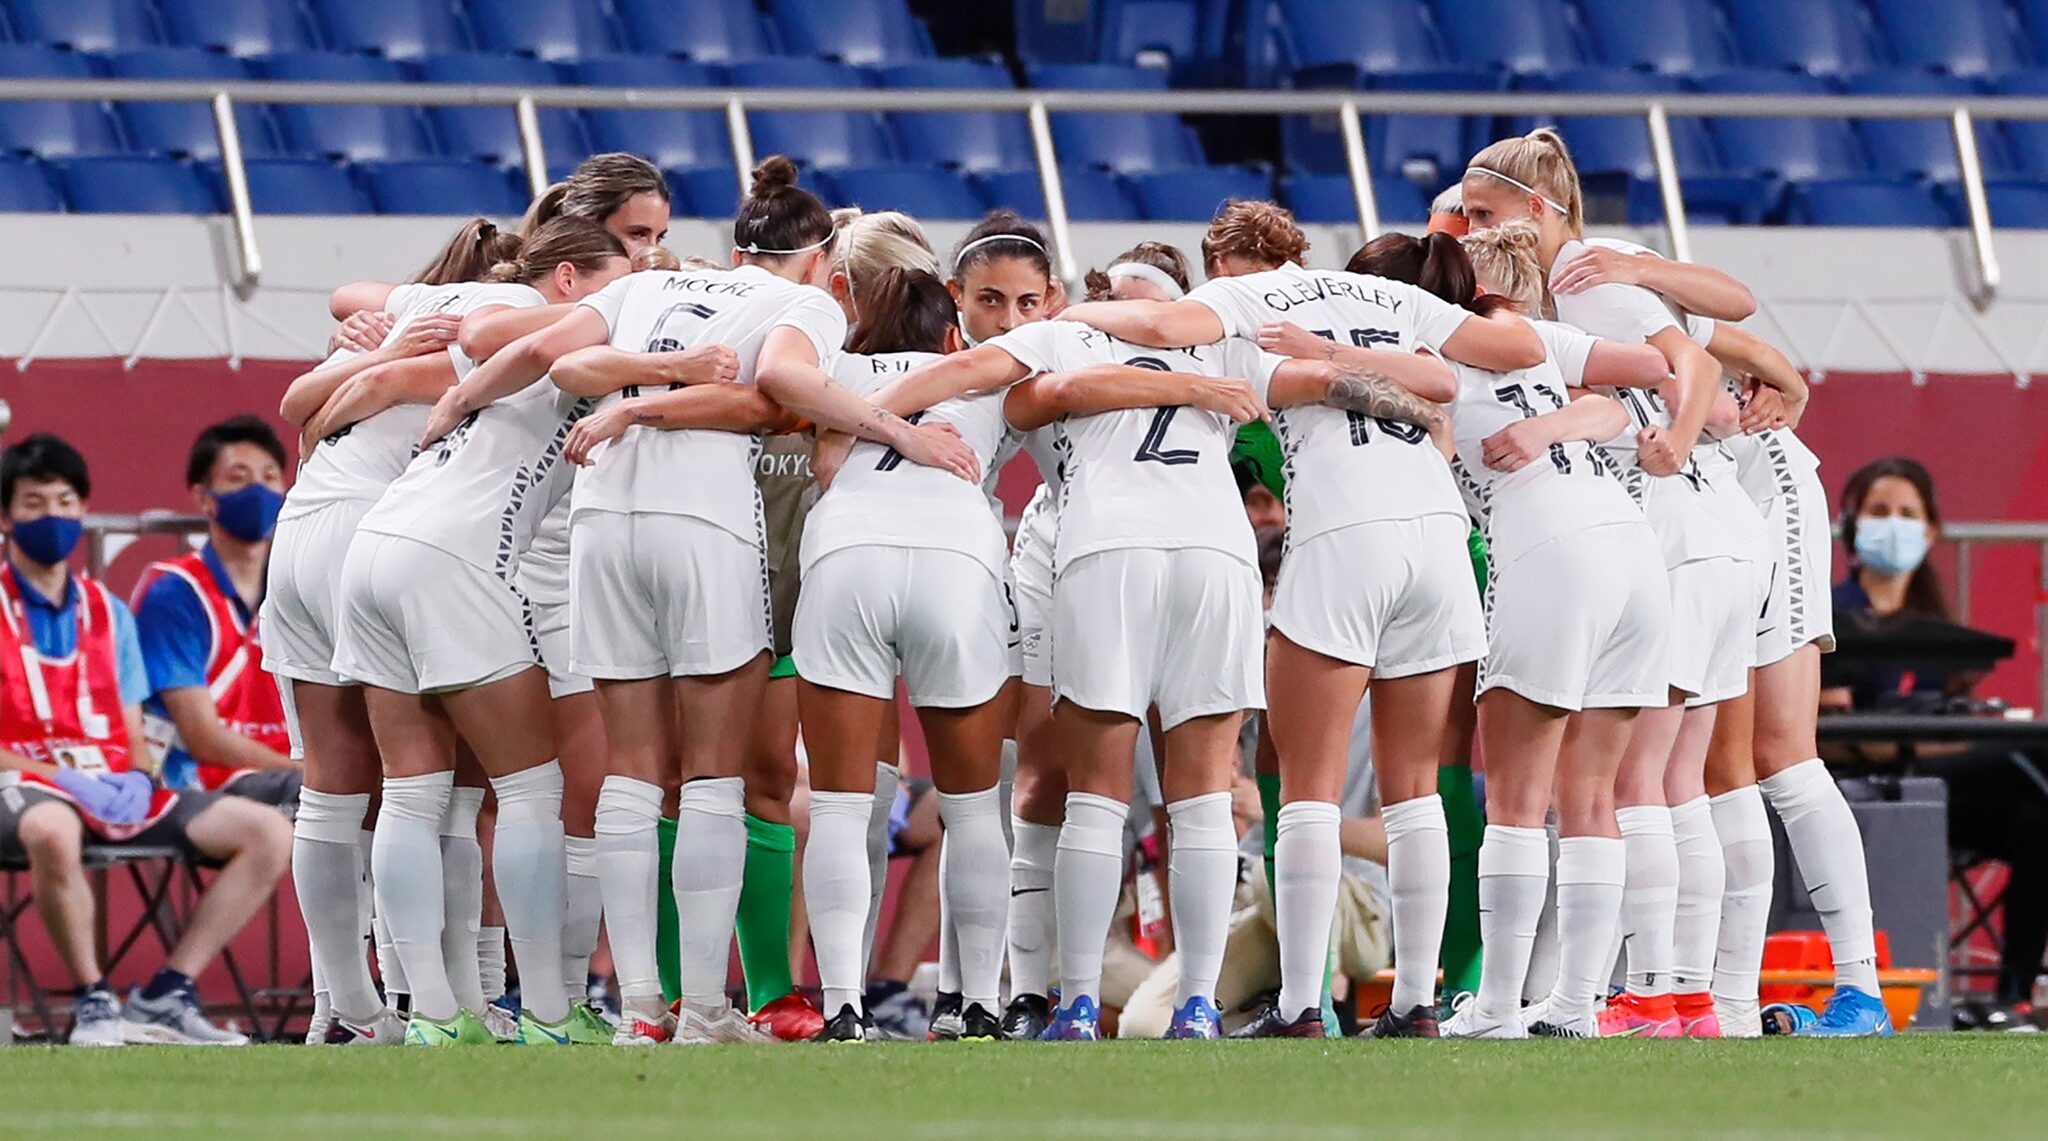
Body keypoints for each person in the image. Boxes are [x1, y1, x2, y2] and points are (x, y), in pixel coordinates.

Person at [453, 156, 974, 1046]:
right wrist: (893, 431)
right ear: (823, 262)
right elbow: (776, 392)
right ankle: (701, 1006)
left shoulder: (647, 288)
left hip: (606, 526)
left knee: (633, 774)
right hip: (708, 535)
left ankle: (641, 1010)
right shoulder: (801, 309)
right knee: (712, 781)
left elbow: (552, 355)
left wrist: (585, 398)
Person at [1056, 199, 1542, 1040]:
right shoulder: (1384, 299)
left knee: (1306, 790)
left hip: (1344, 534)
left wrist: (1075, 313)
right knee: (1417, 788)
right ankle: (1418, 1004)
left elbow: (1164, 321)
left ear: (1224, 261)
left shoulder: (1247, 305)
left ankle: (1298, 1008)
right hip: (1437, 534)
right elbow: (1489, 362)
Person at [1461, 127, 1885, 1038]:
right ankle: (1709, 998)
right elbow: (1729, 338)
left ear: (1538, 210)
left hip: (1732, 499)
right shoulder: (1579, 288)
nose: (1468, 236)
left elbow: (1695, 346)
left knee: (1736, 761)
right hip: (1707, 511)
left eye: (1483, 216)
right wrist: (1781, 381)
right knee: (1704, 770)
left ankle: (1795, 988)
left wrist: (1688, 432)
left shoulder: (1596, 276)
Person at [326, 218, 638, 1047]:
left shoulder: (490, 332)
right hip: (456, 558)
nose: (635, 285)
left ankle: (431, 1013)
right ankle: (547, 1011)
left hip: (377, 548)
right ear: (567, 279)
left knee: (413, 790)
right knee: (533, 788)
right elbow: (549, 355)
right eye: (623, 271)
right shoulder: (568, 333)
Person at [268, 217, 518, 1045]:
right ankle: (449, 1002)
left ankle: (341, 1009)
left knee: (333, 789)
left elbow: (300, 406)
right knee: (440, 791)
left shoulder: (404, 311)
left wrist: (369, 350)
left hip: (303, 530)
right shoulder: (502, 326)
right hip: (383, 532)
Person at [0, 434, 292, 1046]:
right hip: (23, 787)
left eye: (64, 501)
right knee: (53, 829)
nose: (52, 516)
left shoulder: (107, 611)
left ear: (83, 511)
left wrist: (136, 777)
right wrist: (61, 781)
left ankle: (165, 993)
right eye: (32, 504)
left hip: (112, 787)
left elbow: (135, 735)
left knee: (268, 832)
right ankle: (93, 1002)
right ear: (5, 519)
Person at [798, 268, 1018, 1041]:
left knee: (837, 804)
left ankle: (840, 1005)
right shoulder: (990, 376)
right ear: (953, 334)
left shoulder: (834, 375)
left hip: (846, 559)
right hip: (955, 562)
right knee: (971, 807)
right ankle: (977, 1002)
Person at [1825, 457, 2048, 1030]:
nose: (1892, 525)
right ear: (1853, 524)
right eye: (1880, 512)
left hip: (1943, 790)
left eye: (1907, 514)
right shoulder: (1829, 617)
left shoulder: (1941, 630)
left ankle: (2014, 997)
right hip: (1860, 789)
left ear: (1929, 532)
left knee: (2039, 821)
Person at [942, 210, 1066, 1041]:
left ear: (1052, 302)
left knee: (1025, 785)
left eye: (1027, 303)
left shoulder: (1058, 368)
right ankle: (957, 992)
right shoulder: (931, 366)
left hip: (1028, 581)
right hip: (949, 579)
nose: (1011, 321)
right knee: (967, 793)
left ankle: (1015, 990)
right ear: (956, 297)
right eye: (991, 301)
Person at [132, 416, 300, 808]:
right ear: (205, 497)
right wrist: (305, 773)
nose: (258, 490)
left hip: (286, 769)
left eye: (270, 476)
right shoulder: (174, 593)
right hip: (199, 777)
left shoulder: (292, 587)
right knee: (334, 797)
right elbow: (201, 738)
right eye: (238, 478)